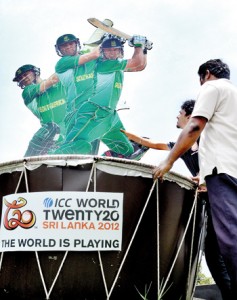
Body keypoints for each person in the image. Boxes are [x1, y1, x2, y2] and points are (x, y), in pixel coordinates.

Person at [122, 99, 231, 299]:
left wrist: (208, 177)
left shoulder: (212, 139)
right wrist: (125, 133)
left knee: (224, 251)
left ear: (190, 116)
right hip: (208, 201)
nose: (177, 116)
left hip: (223, 198)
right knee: (214, 254)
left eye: (180, 113)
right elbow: (153, 144)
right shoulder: (184, 144)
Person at [153, 59, 237, 299]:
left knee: (230, 239)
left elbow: (194, 126)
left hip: (222, 173)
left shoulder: (212, 87)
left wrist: (168, 161)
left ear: (206, 74)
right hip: (233, 170)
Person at [52, 34, 150, 159]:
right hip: (83, 112)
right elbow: (93, 54)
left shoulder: (106, 63)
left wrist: (143, 48)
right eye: (64, 46)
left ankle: (108, 162)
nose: (68, 47)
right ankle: (48, 165)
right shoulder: (63, 63)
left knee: (129, 152)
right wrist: (135, 45)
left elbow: (139, 65)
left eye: (70, 43)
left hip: (108, 114)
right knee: (77, 147)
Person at [13, 64, 67, 156]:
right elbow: (53, 80)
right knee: (50, 128)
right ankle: (28, 166)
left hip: (71, 133)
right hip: (49, 138)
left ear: (35, 72)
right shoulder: (27, 92)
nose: (23, 78)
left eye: (26, 74)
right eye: (20, 78)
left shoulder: (59, 85)